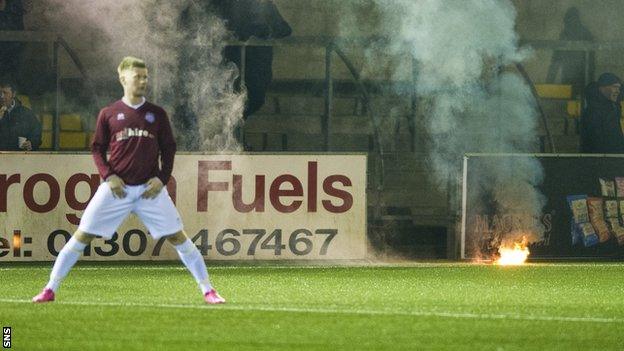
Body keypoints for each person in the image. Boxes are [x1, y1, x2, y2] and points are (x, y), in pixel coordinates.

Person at [32, 57, 225, 304]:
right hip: (117, 189)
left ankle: (208, 290)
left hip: (149, 191)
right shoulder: (109, 114)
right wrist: (109, 176)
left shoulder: (157, 114)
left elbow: (169, 148)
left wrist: (162, 179)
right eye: (138, 76)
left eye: (146, 77)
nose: (144, 81)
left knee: (178, 237)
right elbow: (97, 148)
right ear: (123, 78)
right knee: (82, 236)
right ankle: (50, 289)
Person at [546, 7, 595, 98]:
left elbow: (555, 61)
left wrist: (548, 83)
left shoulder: (581, 34)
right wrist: (548, 84)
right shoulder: (568, 34)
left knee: (573, 105)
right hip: (574, 79)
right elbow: (556, 60)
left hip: (580, 79)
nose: (568, 24)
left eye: (570, 21)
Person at [579, 73, 624, 153]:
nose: (618, 91)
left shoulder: (613, 108)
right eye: (614, 87)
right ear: (602, 88)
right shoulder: (592, 112)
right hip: (599, 160)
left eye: (619, 88)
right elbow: (597, 141)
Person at [0, 81, 41, 151]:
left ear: (14, 94)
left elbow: (36, 133)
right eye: (0, 93)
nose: (1, 96)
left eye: (5, 93)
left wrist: (31, 143)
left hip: (20, 157)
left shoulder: (26, 113)